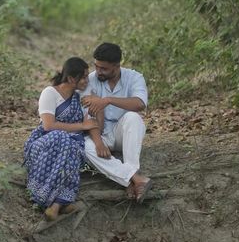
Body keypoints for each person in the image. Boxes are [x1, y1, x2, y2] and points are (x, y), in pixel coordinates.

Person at [23, 57, 99, 221]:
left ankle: (56, 205)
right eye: (84, 77)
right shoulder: (49, 93)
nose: (87, 80)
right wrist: (81, 126)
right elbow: (49, 126)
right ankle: (49, 199)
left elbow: (91, 123)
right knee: (63, 137)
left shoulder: (79, 98)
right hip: (45, 144)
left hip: (69, 146)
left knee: (72, 147)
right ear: (72, 79)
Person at [81, 42, 152, 203]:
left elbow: (140, 103)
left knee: (133, 118)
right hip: (100, 133)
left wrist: (107, 100)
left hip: (124, 133)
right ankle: (135, 179)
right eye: (96, 66)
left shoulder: (134, 77)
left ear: (117, 66)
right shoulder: (91, 80)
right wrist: (98, 142)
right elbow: (87, 116)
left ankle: (131, 177)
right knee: (84, 146)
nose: (98, 71)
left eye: (104, 68)